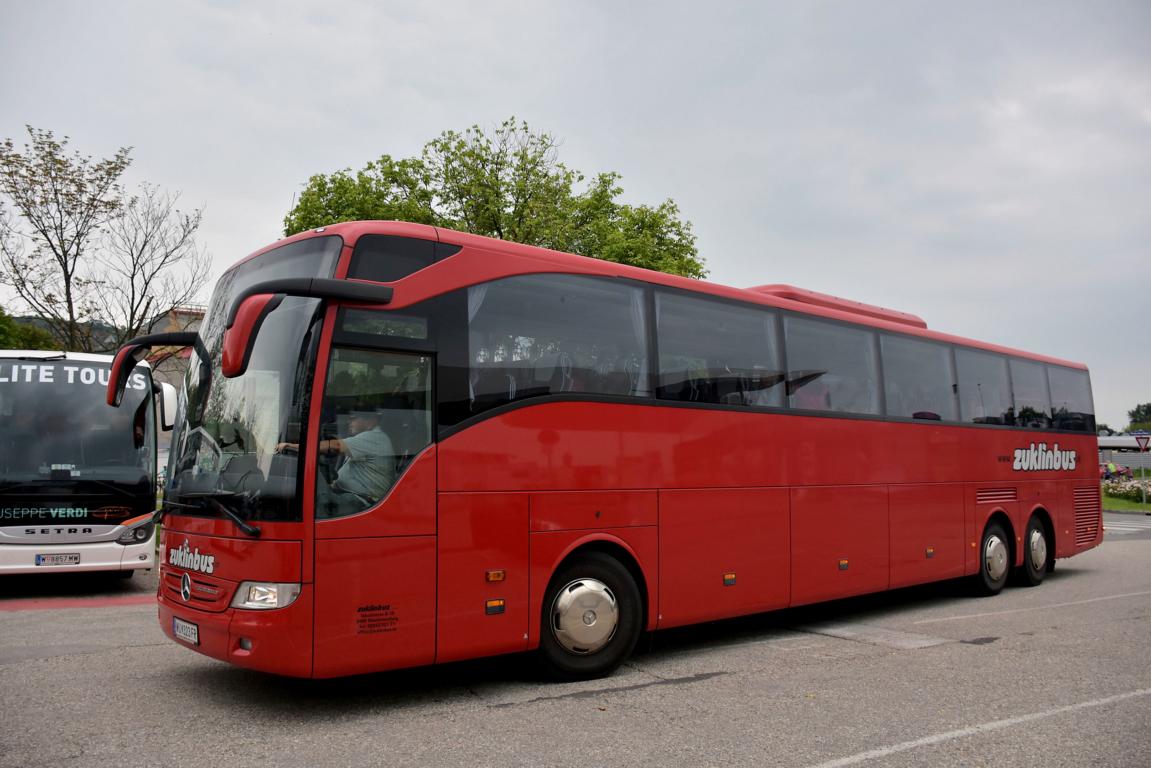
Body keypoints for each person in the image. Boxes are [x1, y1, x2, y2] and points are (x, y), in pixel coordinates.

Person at [277, 410, 395, 514]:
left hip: (362, 502)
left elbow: (335, 446)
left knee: (313, 502)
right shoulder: (365, 440)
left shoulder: (374, 437)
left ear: (370, 420)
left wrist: (292, 446)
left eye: (354, 418)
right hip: (352, 496)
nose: (349, 422)